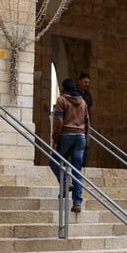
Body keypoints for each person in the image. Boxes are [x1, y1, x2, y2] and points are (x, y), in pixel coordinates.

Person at [50, 78, 89, 212]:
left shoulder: (62, 100)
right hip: (81, 136)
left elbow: (58, 121)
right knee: (77, 169)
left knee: (54, 161)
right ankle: (77, 202)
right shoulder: (83, 102)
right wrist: (86, 137)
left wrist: (55, 138)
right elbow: (87, 121)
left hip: (67, 134)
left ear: (63, 88)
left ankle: (65, 181)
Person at [77, 72, 93, 165]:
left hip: (86, 124)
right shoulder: (76, 94)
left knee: (85, 145)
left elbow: (90, 108)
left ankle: (83, 165)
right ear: (79, 82)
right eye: (85, 82)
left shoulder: (88, 95)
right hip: (77, 123)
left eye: (88, 82)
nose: (87, 84)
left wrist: (90, 122)